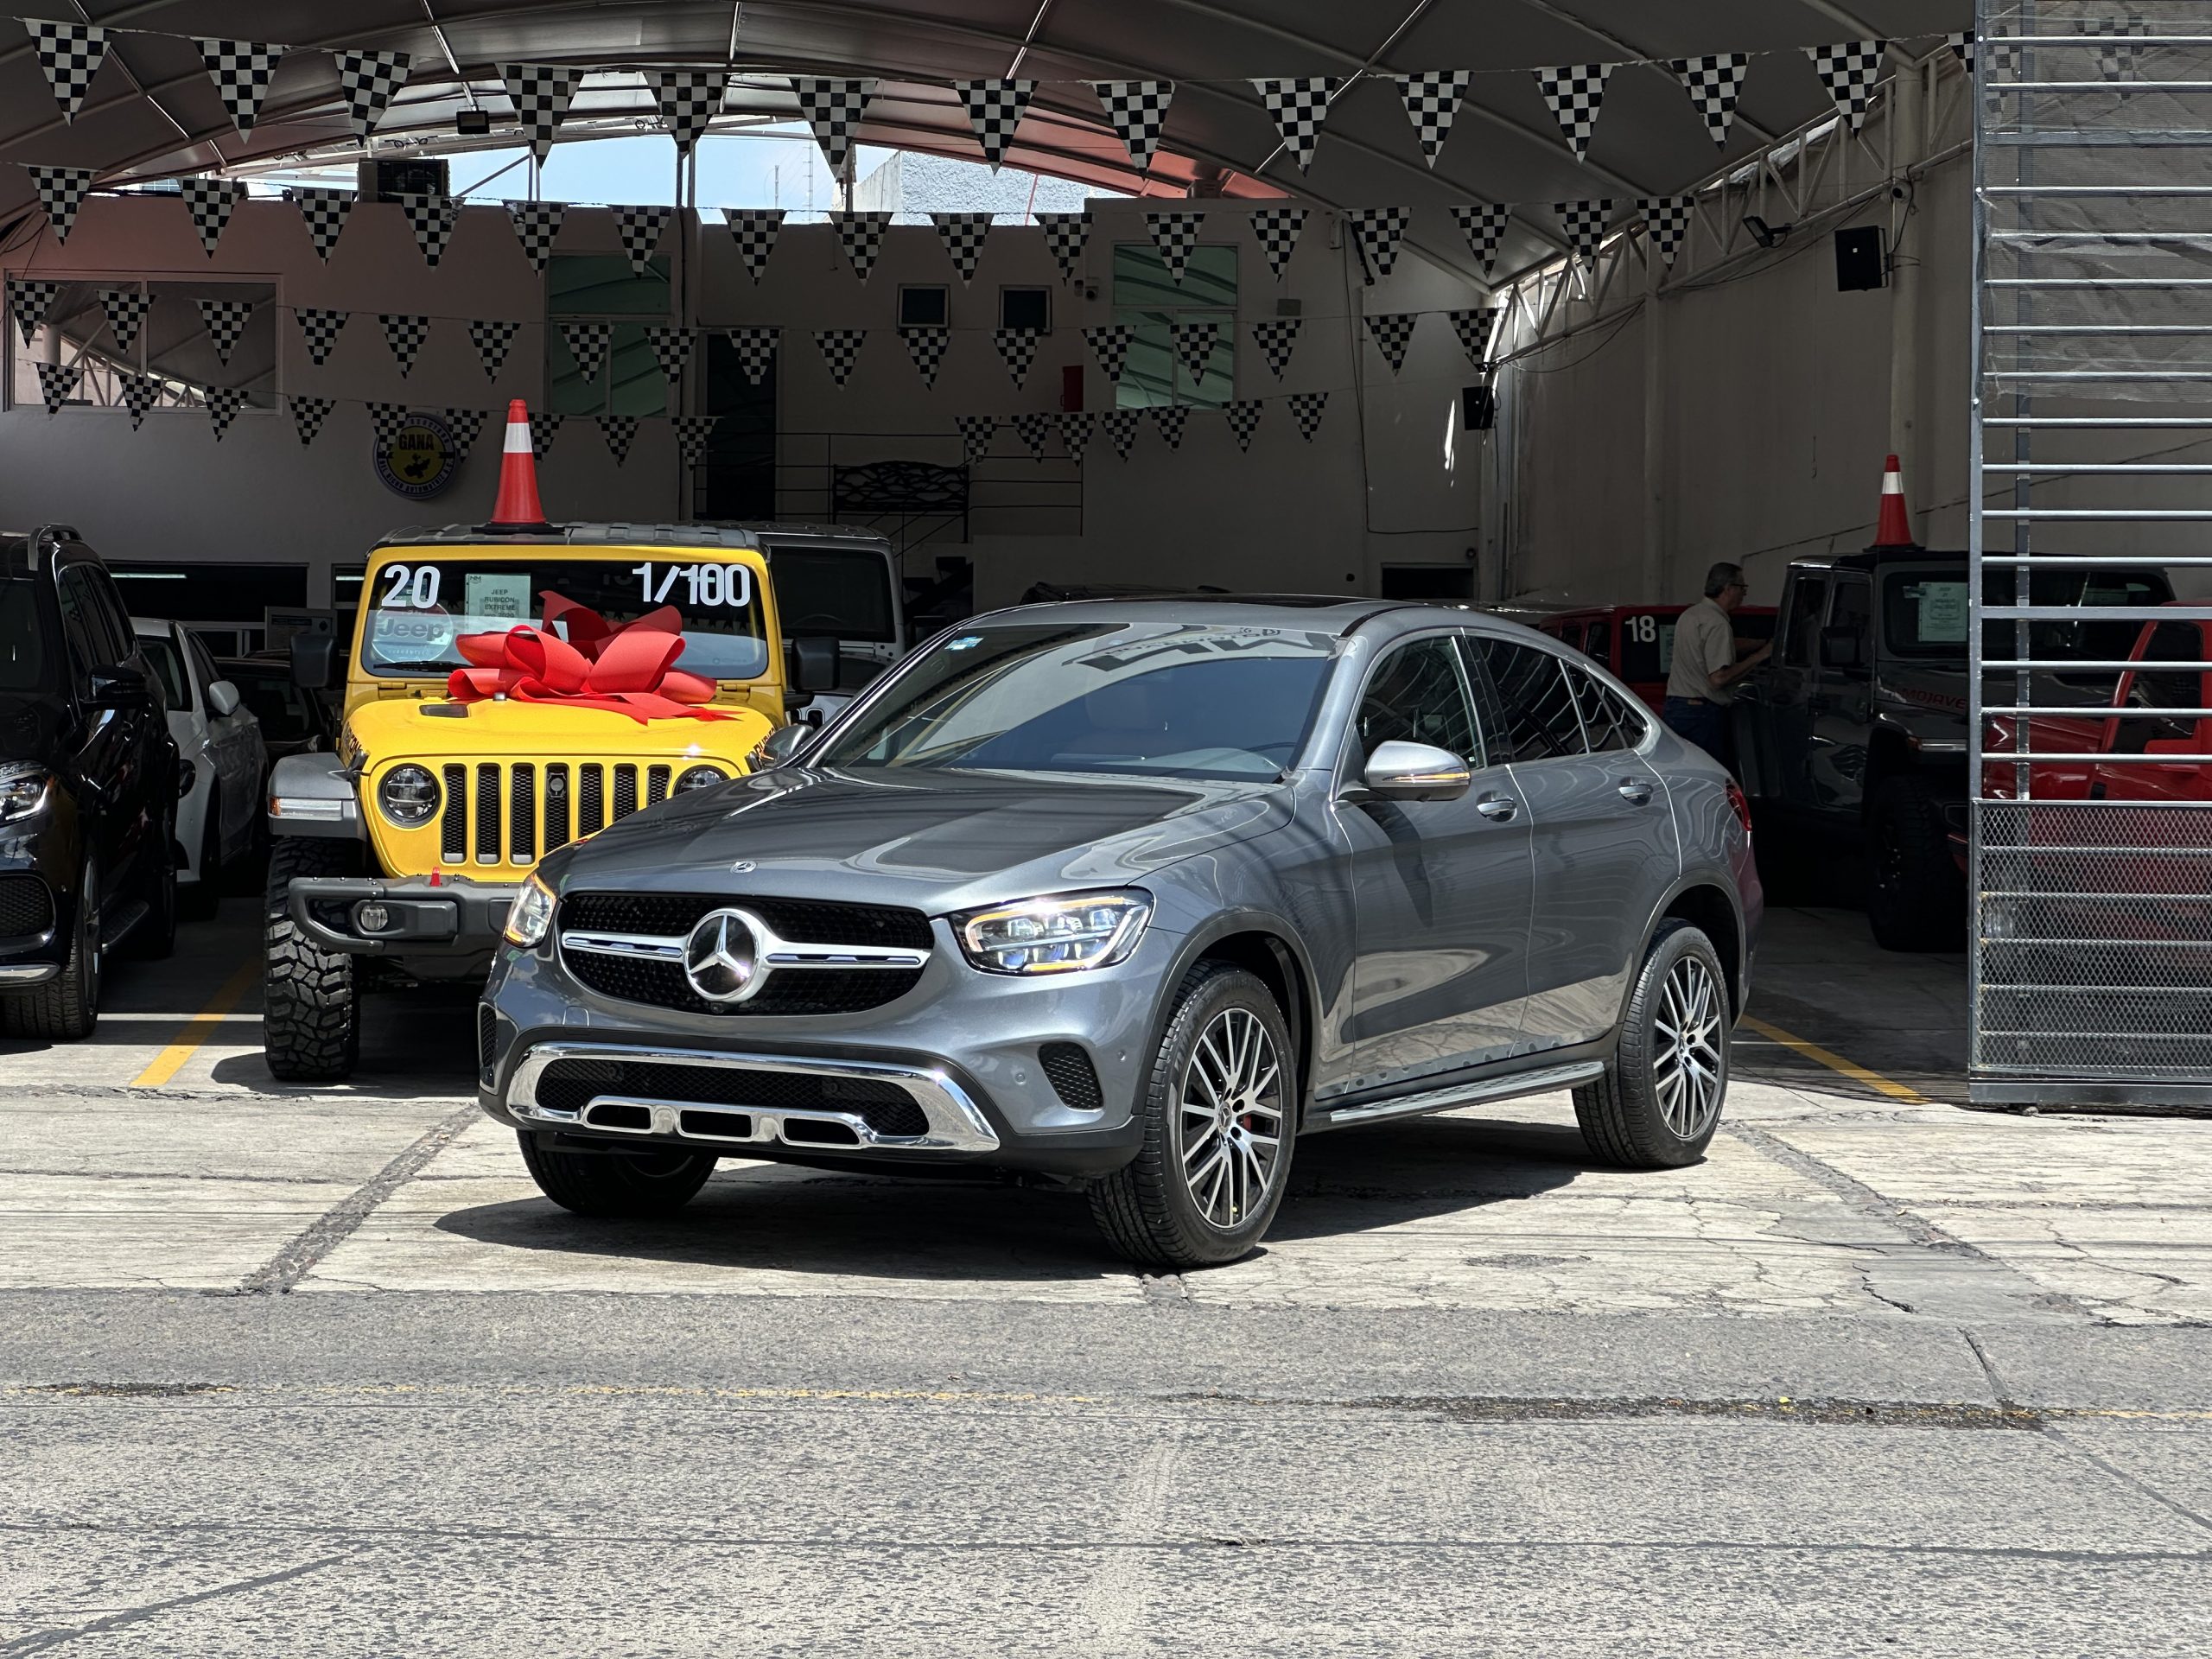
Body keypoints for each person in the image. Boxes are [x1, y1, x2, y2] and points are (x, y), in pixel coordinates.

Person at [1662, 562, 1773, 769]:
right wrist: (1760, 656)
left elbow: (1711, 647)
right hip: (1702, 716)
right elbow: (1719, 678)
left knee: (1685, 774)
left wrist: (1758, 643)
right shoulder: (1717, 623)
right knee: (1710, 776)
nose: (1745, 593)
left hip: (1677, 709)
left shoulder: (1691, 615)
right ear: (1728, 588)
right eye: (1742, 587)